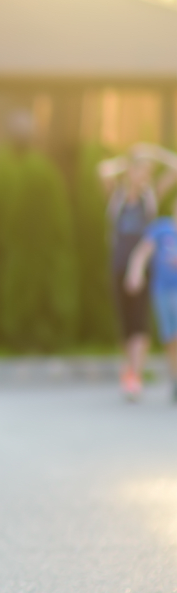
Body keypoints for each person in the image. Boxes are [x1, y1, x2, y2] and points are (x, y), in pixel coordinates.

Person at [98, 144, 177, 399]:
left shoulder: (150, 196)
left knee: (140, 322)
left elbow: (174, 167)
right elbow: (102, 171)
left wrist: (152, 153)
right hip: (118, 267)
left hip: (143, 270)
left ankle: (136, 374)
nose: (141, 175)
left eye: (145, 171)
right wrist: (129, 161)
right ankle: (129, 370)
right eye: (138, 170)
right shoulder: (117, 198)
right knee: (125, 325)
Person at [126, 195, 177, 402]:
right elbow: (142, 252)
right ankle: (175, 380)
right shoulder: (162, 228)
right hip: (163, 292)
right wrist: (135, 272)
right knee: (171, 337)